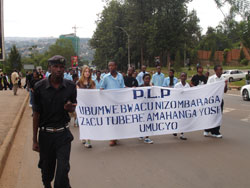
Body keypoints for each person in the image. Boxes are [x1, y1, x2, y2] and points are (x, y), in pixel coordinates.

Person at [32, 55, 76, 188]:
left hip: (63, 135)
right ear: (49, 68)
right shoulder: (39, 87)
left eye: (61, 67)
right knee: (47, 172)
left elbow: (73, 106)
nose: (59, 69)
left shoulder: (70, 86)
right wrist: (35, 140)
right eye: (55, 66)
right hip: (46, 136)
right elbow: (36, 114)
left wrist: (70, 108)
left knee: (63, 170)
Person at [100, 61, 125, 146]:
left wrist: (132, 89)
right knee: (111, 121)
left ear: (116, 66)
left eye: (112, 65)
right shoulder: (105, 77)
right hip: (109, 103)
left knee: (117, 120)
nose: (110, 67)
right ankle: (112, 138)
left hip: (118, 102)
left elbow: (123, 87)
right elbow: (102, 88)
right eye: (109, 66)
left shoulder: (120, 76)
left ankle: (116, 136)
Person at [204, 65, 228, 138]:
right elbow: (208, 89)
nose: (221, 71)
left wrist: (226, 84)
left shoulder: (223, 79)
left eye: (221, 69)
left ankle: (216, 131)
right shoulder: (211, 79)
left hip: (219, 101)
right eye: (219, 70)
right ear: (215, 71)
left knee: (218, 116)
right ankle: (207, 130)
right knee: (211, 116)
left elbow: (225, 91)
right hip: (212, 101)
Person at [77, 66, 96, 148]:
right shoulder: (79, 83)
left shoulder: (92, 82)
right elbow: (78, 94)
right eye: (86, 71)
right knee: (83, 122)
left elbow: (95, 93)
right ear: (83, 73)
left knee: (89, 122)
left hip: (90, 105)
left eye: (88, 71)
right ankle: (84, 136)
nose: (87, 73)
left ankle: (88, 140)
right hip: (82, 105)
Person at [173, 72, 190, 140]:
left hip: (185, 105)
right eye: (182, 76)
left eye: (184, 76)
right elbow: (174, 94)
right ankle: (175, 130)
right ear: (180, 77)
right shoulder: (177, 85)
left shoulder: (187, 85)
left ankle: (182, 134)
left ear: (186, 77)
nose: (183, 77)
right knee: (177, 118)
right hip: (178, 105)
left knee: (183, 119)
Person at [139, 73, 154, 144]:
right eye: (146, 78)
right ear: (143, 79)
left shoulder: (152, 88)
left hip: (150, 108)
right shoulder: (140, 87)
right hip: (142, 108)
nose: (147, 80)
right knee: (142, 122)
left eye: (149, 78)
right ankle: (142, 134)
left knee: (149, 122)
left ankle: (147, 138)